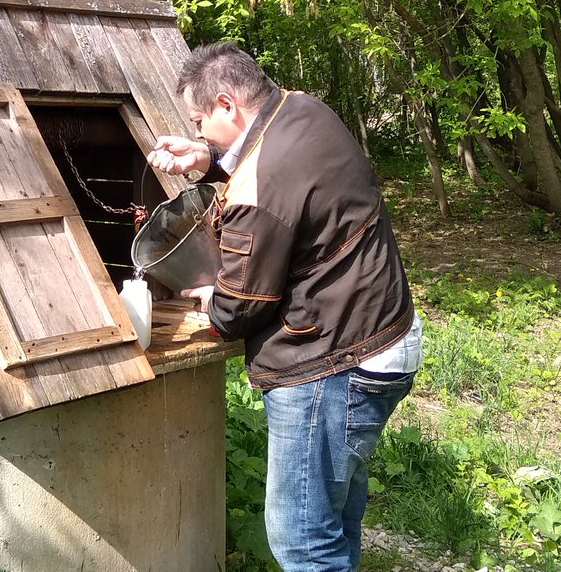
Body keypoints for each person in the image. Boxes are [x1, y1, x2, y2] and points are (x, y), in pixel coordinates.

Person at [147, 42, 422, 572]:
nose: (198, 131)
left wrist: (214, 301)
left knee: (301, 541)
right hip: (383, 335)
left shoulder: (256, 188)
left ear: (228, 104)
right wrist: (207, 159)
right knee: (333, 520)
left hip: (332, 362)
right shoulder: (302, 108)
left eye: (200, 121)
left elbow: (241, 309)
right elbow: (279, 175)